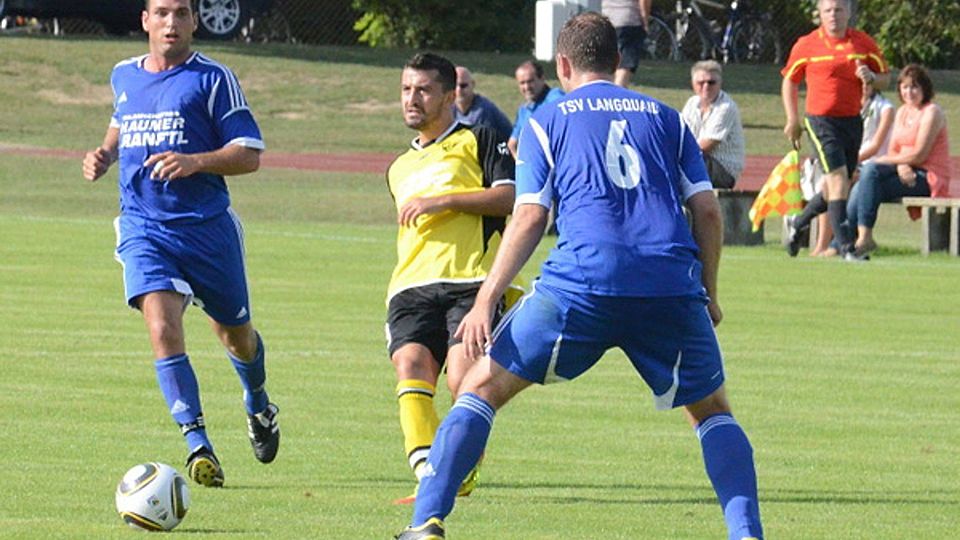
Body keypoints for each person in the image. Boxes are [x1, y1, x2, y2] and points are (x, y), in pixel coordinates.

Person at [396, 12, 763, 540]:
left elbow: (528, 216)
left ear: (563, 64)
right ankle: (746, 533)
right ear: (616, 62)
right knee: (710, 411)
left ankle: (426, 521)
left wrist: (486, 299)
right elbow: (706, 211)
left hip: (581, 286)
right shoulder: (667, 118)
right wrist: (707, 292)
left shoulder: (546, 121)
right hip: (668, 285)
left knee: (480, 386)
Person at [81, 0, 279, 488]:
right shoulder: (123, 75)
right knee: (162, 324)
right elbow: (121, 119)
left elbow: (249, 155)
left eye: (182, 14)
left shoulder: (213, 79)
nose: (172, 23)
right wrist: (105, 153)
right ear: (146, 20)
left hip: (207, 229)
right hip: (144, 226)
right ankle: (197, 444)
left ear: (194, 22)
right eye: (163, 13)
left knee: (236, 335)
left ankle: (257, 403)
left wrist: (196, 162)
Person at [386, 52, 517, 505]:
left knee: (464, 379)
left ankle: (459, 468)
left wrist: (443, 201)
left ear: (448, 95)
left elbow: (509, 199)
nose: (412, 99)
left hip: (471, 282)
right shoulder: (398, 167)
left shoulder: (482, 139)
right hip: (411, 286)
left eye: (422, 90)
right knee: (411, 367)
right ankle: (429, 472)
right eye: (406, 90)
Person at [781, 0, 889, 260]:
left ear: (848, 13)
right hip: (820, 121)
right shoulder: (807, 44)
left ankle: (798, 223)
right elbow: (790, 81)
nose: (833, 15)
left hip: (852, 121)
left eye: (839, 10)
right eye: (828, 10)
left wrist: (872, 78)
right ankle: (847, 247)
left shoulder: (862, 43)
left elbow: (885, 76)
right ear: (819, 14)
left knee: (838, 185)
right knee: (839, 178)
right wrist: (792, 119)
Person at [845, 64, 951, 258]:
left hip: (928, 176)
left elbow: (920, 154)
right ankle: (854, 240)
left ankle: (851, 240)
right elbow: (894, 149)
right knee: (867, 180)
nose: (909, 92)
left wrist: (898, 162)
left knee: (870, 172)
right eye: (905, 87)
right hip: (905, 170)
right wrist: (901, 164)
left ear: (924, 89)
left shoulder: (932, 112)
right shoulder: (902, 112)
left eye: (914, 87)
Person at [789, 80, 894, 256]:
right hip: (851, 161)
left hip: (874, 163)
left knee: (835, 187)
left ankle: (813, 231)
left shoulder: (884, 108)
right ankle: (833, 245)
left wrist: (844, 164)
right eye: (858, 84)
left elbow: (876, 145)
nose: (862, 88)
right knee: (830, 186)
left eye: (866, 84)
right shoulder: (848, 106)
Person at [681, 60, 746, 189]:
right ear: (693, 84)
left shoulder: (726, 107)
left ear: (720, 83)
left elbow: (705, 147)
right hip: (699, 160)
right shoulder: (691, 104)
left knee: (677, 165)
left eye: (711, 82)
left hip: (722, 170)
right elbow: (682, 136)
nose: (706, 87)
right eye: (701, 83)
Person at [507, 60, 565, 157]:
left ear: (542, 78)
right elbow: (512, 144)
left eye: (530, 81)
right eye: (522, 83)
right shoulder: (524, 111)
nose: (527, 87)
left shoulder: (556, 98)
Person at [453, 65, 513, 143]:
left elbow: (484, 143)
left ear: (473, 85)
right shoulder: (448, 108)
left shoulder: (483, 110)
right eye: (454, 86)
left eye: (463, 86)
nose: (459, 90)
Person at [601, 0, 652, 87]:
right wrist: (645, 21)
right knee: (625, 64)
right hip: (628, 20)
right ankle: (617, 94)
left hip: (607, 19)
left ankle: (608, 93)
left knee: (610, 63)